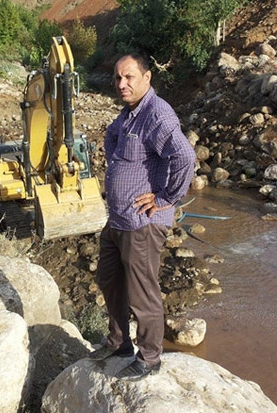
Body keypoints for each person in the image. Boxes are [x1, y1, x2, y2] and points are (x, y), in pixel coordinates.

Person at [90, 53, 196, 381]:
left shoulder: (157, 114)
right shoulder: (128, 114)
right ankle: (120, 342)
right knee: (109, 279)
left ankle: (150, 357)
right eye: (118, 78)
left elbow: (185, 157)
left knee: (142, 291)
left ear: (147, 78)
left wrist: (165, 197)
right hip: (118, 219)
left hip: (142, 223)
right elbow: (110, 137)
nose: (122, 84)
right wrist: (120, 164)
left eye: (129, 77)